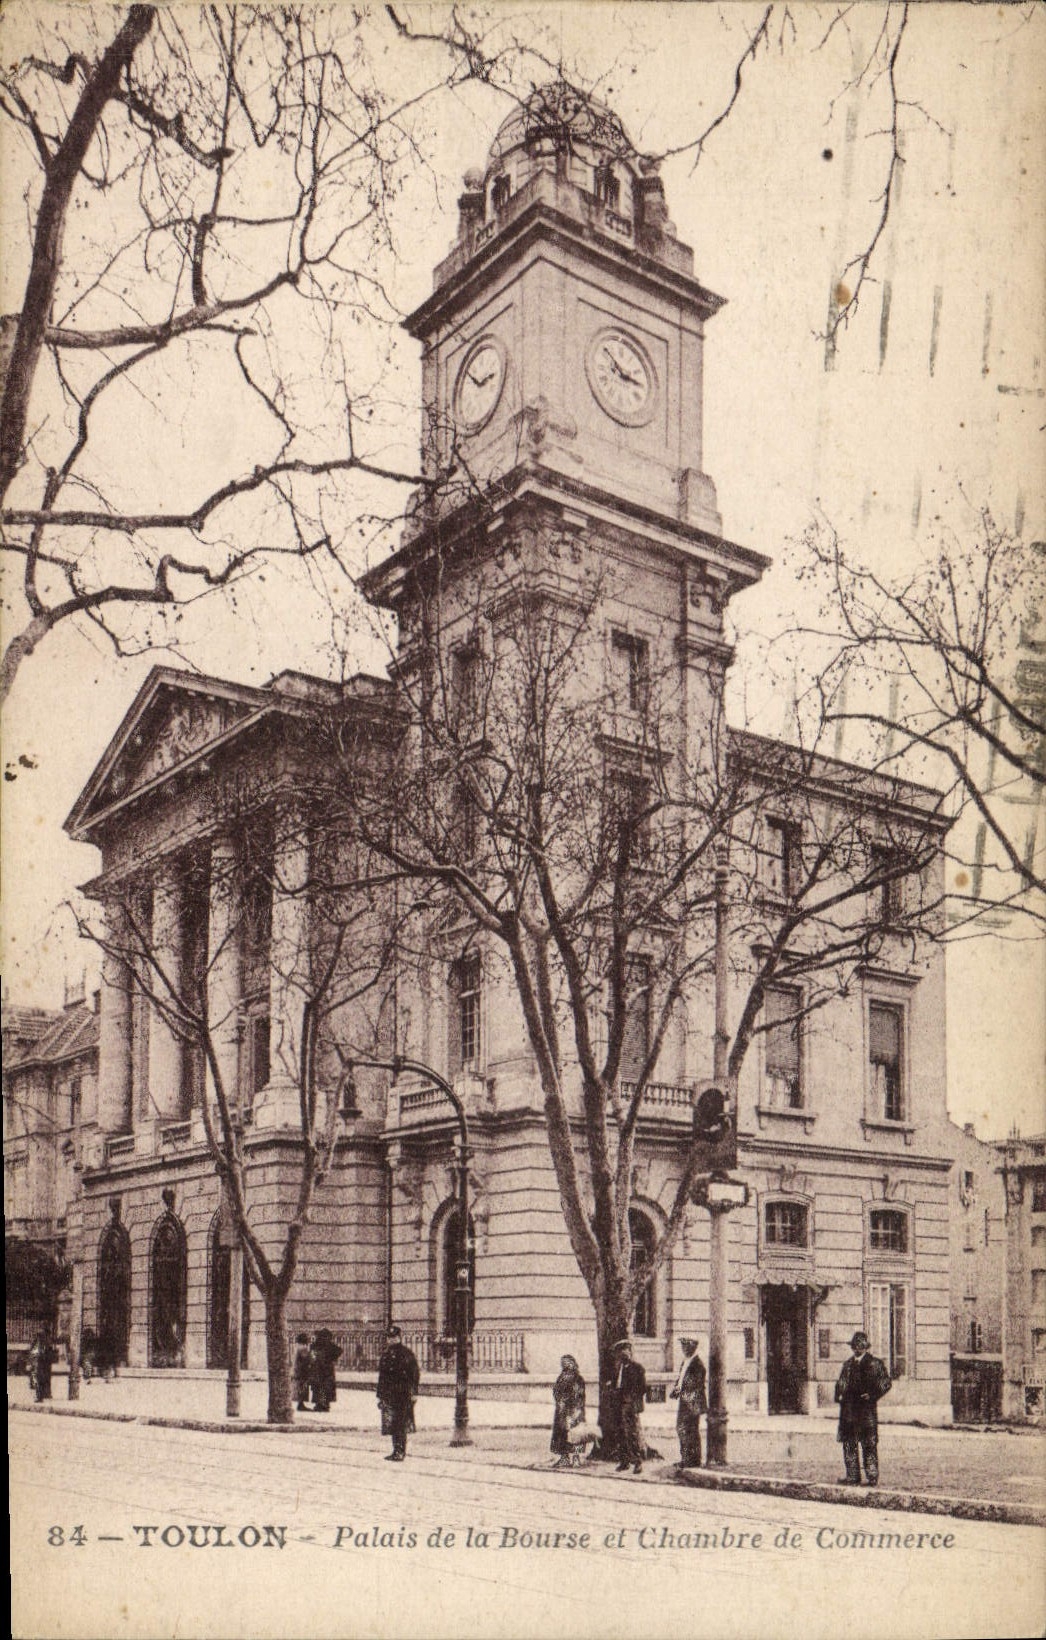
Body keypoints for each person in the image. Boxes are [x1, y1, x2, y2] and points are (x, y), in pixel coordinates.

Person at [835, 1330, 891, 1486]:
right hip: (849, 1412)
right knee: (849, 1444)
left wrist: (872, 1395)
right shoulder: (847, 1365)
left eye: (860, 1345)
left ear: (866, 1347)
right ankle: (852, 1476)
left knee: (869, 1444)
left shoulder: (875, 1364)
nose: (857, 1348)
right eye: (855, 1345)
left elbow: (886, 1382)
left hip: (866, 1411)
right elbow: (841, 1383)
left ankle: (872, 1476)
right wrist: (839, 1394)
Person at [377, 1325, 420, 1461]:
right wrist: (380, 1395)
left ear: (399, 1337)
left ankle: (400, 1451)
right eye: (389, 1338)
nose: (391, 1340)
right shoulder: (386, 1354)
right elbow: (382, 1377)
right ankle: (396, 1449)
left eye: (393, 1337)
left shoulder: (406, 1354)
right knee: (391, 1423)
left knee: (400, 1423)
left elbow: (414, 1374)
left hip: (402, 1394)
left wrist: (413, 1392)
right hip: (389, 1394)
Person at [610, 1339, 647, 1475]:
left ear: (630, 1352)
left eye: (625, 1351)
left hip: (629, 1405)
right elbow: (616, 1384)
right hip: (618, 1404)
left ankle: (637, 1462)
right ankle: (624, 1461)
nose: (623, 1354)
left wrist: (631, 1398)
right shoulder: (618, 1368)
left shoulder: (637, 1368)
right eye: (620, 1352)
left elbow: (642, 1388)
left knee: (631, 1433)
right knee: (620, 1433)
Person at [670, 1336, 708, 1468]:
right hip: (684, 1401)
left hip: (692, 1402)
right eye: (682, 1346)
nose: (683, 1349)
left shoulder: (698, 1364)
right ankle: (685, 1458)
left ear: (693, 1347)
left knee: (690, 1430)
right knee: (682, 1429)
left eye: (685, 1346)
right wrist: (676, 1389)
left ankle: (693, 1460)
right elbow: (681, 1379)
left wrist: (682, 1391)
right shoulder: (685, 1362)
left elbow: (694, 1384)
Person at [550, 1355, 586, 1468]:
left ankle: (576, 1458)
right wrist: (559, 1401)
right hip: (561, 1410)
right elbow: (556, 1391)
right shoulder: (561, 1377)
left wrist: (576, 1410)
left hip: (574, 1410)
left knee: (575, 1434)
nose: (564, 1364)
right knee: (561, 1434)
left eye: (567, 1362)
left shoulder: (577, 1378)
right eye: (563, 1363)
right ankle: (564, 1457)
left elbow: (578, 1395)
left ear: (573, 1363)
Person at [309, 1329, 341, 1412]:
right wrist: (332, 1359)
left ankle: (320, 1404)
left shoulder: (315, 1345)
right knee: (326, 1386)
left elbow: (312, 1356)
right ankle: (325, 1404)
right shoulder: (329, 1345)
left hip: (318, 1369)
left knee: (319, 1386)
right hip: (328, 1369)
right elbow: (339, 1350)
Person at [293, 1333, 313, 1411]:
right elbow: (307, 1358)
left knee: (299, 1386)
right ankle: (301, 1404)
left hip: (297, 1370)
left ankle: (300, 1403)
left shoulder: (297, 1347)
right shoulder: (303, 1348)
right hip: (302, 1371)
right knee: (303, 1387)